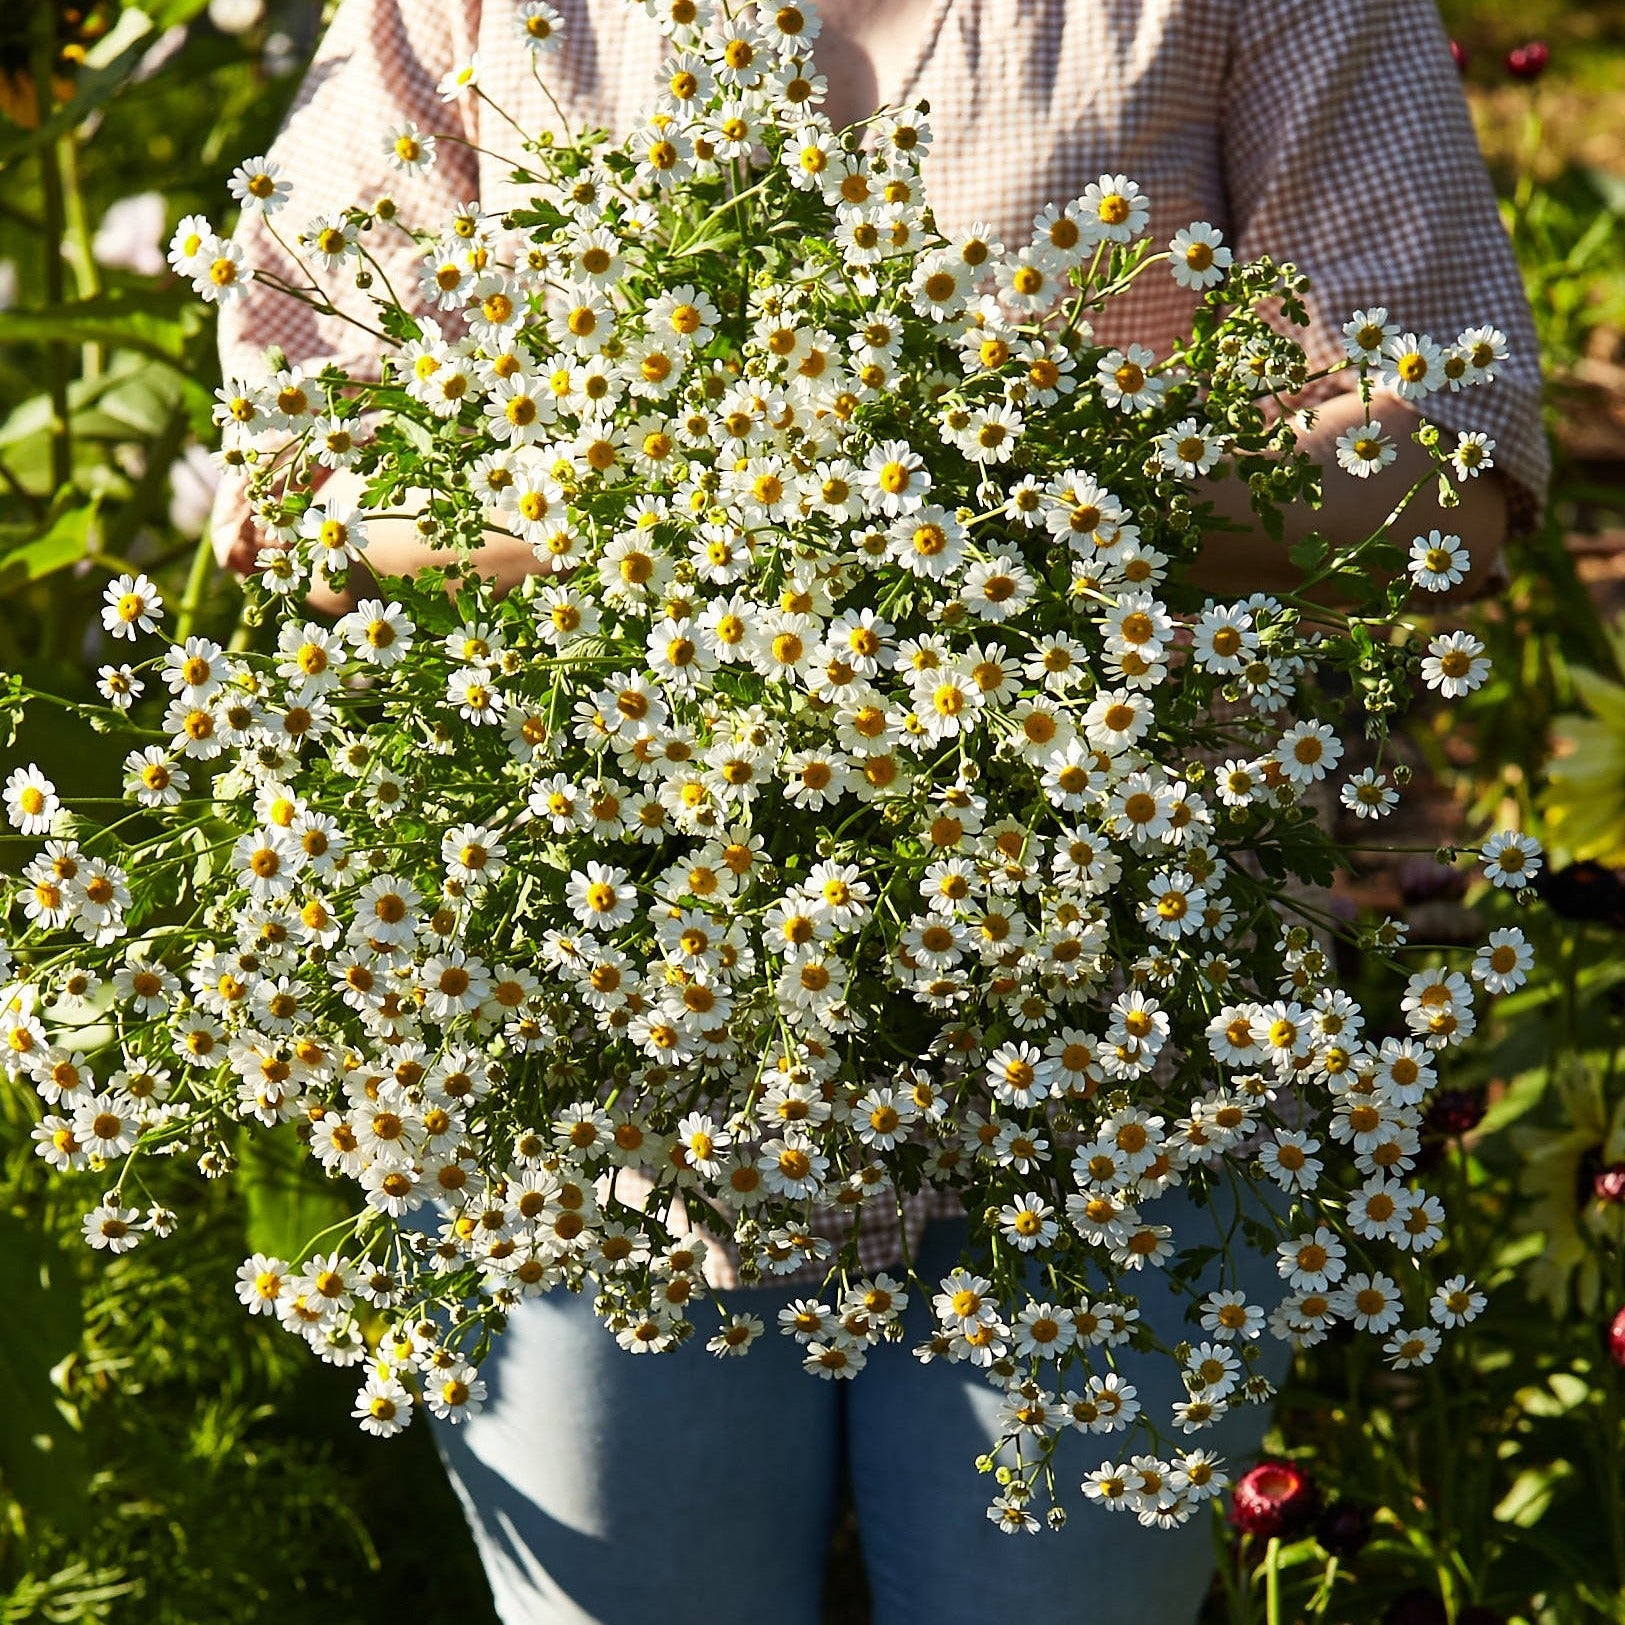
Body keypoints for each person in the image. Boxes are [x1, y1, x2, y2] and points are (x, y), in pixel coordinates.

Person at [211, 3, 1547, 1620]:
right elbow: (295, 465)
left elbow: (1446, 465)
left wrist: (984, 475)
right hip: (601, 1056)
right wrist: (679, 480)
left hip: (1116, 1049)